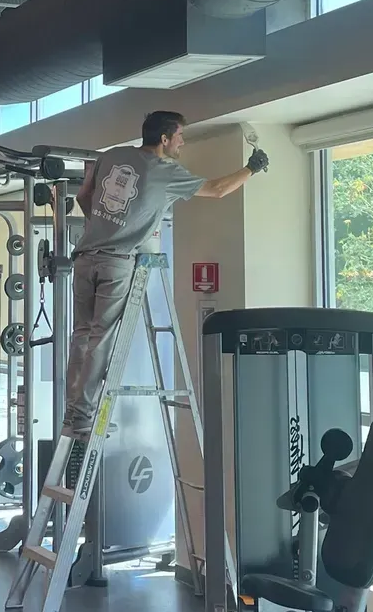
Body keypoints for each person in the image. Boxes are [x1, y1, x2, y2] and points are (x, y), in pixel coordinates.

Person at [60, 109, 267, 483]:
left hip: (86, 257)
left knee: (81, 335)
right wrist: (252, 168)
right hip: (118, 263)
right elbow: (218, 190)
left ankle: (72, 411)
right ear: (166, 138)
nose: (183, 143)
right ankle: (85, 420)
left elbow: (84, 196)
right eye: (180, 137)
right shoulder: (165, 172)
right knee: (101, 338)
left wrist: (106, 227)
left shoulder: (112, 156)